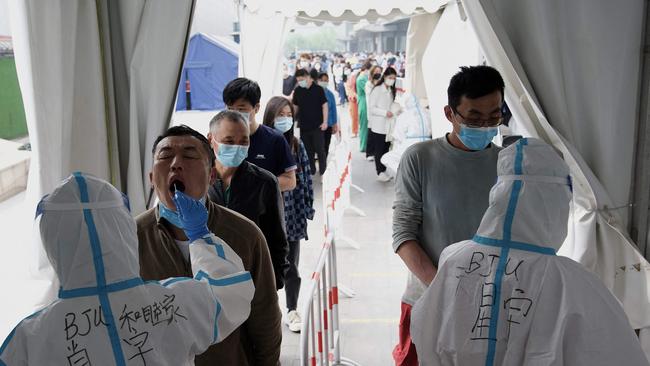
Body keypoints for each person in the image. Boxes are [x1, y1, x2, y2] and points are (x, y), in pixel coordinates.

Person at [410, 138, 649, 366]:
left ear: (497, 194)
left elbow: (426, 331)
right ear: (555, 202)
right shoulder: (573, 283)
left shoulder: (453, 259)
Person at [0, 172, 255, 365]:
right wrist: (200, 236)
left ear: (51, 239)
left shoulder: (29, 340)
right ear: (124, 229)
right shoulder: (176, 303)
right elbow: (232, 291)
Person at [137, 125, 282, 365]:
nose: (175, 163)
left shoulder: (245, 235)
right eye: (165, 156)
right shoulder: (131, 238)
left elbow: (264, 317)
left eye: (190, 155)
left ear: (211, 175)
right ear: (152, 177)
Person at [392, 65, 505, 366]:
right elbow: (404, 234)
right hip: (428, 300)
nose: (485, 125)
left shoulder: (507, 164)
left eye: (494, 115)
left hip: (490, 308)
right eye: (474, 117)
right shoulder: (420, 158)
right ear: (449, 113)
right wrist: (445, 287)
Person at [206, 110, 289, 290]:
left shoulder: (264, 182)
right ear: (210, 139)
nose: (237, 147)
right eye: (229, 141)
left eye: (244, 142)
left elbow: (277, 239)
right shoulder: (198, 181)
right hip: (207, 283)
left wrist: (273, 283)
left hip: (252, 282)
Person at [263, 96, 316, 333]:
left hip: (292, 215)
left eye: (288, 115)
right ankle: (266, 310)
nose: (284, 120)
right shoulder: (261, 145)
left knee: (292, 265)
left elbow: (305, 181)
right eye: (279, 115)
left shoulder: (296, 144)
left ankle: (292, 309)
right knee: (265, 264)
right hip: (265, 214)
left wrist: (307, 210)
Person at [223, 77, 297, 192]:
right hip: (229, 208)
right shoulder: (221, 139)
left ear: (256, 108)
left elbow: (290, 181)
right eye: (230, 109)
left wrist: (258, 187)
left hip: (265, 208)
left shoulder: (275, 139)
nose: (234, 115)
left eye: (241, 109)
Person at [292, 68, 328, 175]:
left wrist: (325, 121)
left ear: (308, 77)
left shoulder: (318, 89)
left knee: (320, 150)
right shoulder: (298, 91)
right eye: (298, 80)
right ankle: (311, 171)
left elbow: (324, 106)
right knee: (308, 151)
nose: (300, 82)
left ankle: (323, 172)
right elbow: (295, 107)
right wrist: (291, 119)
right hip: (304, 126)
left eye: (301, 79)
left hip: (318, 126)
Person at [368, 67, 400, 182]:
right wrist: (385, 113)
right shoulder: (377, 90)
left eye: (394, 78)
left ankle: (383, 170)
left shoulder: (391, 90)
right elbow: (371, 108)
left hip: (388, 125)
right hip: (379, 125)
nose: (392, 80)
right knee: (379, 149)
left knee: (386, 148)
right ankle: (379, 172)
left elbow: (390, 104)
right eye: (390, 78)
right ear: (385, 77)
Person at [318, 72, 339, 160]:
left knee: (326, 144)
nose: (324, 82)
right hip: (317, 125)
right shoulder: (314, 93)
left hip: (329, 124)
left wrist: (334, 124)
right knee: (319, 145)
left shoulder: (330, 94)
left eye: (326, 80)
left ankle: (323, 162)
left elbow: (334, 110)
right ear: (318, 81)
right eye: (322, 80)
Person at [356, 61, 372, 155]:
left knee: (366, 125)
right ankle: (363, 146)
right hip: (363, 103)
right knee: (364, 126)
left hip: (365, 102)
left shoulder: (364, 77)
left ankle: (365, 145)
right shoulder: (361, 79)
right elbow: (368, 89)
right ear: (366, 69)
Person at [346, 64, 360, 137]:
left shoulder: (361, 76)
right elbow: (349, 88)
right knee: (354, 116)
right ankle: (355, 131)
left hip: (361, 99)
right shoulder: (352, 77)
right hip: (354, 100)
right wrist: (354, 95)